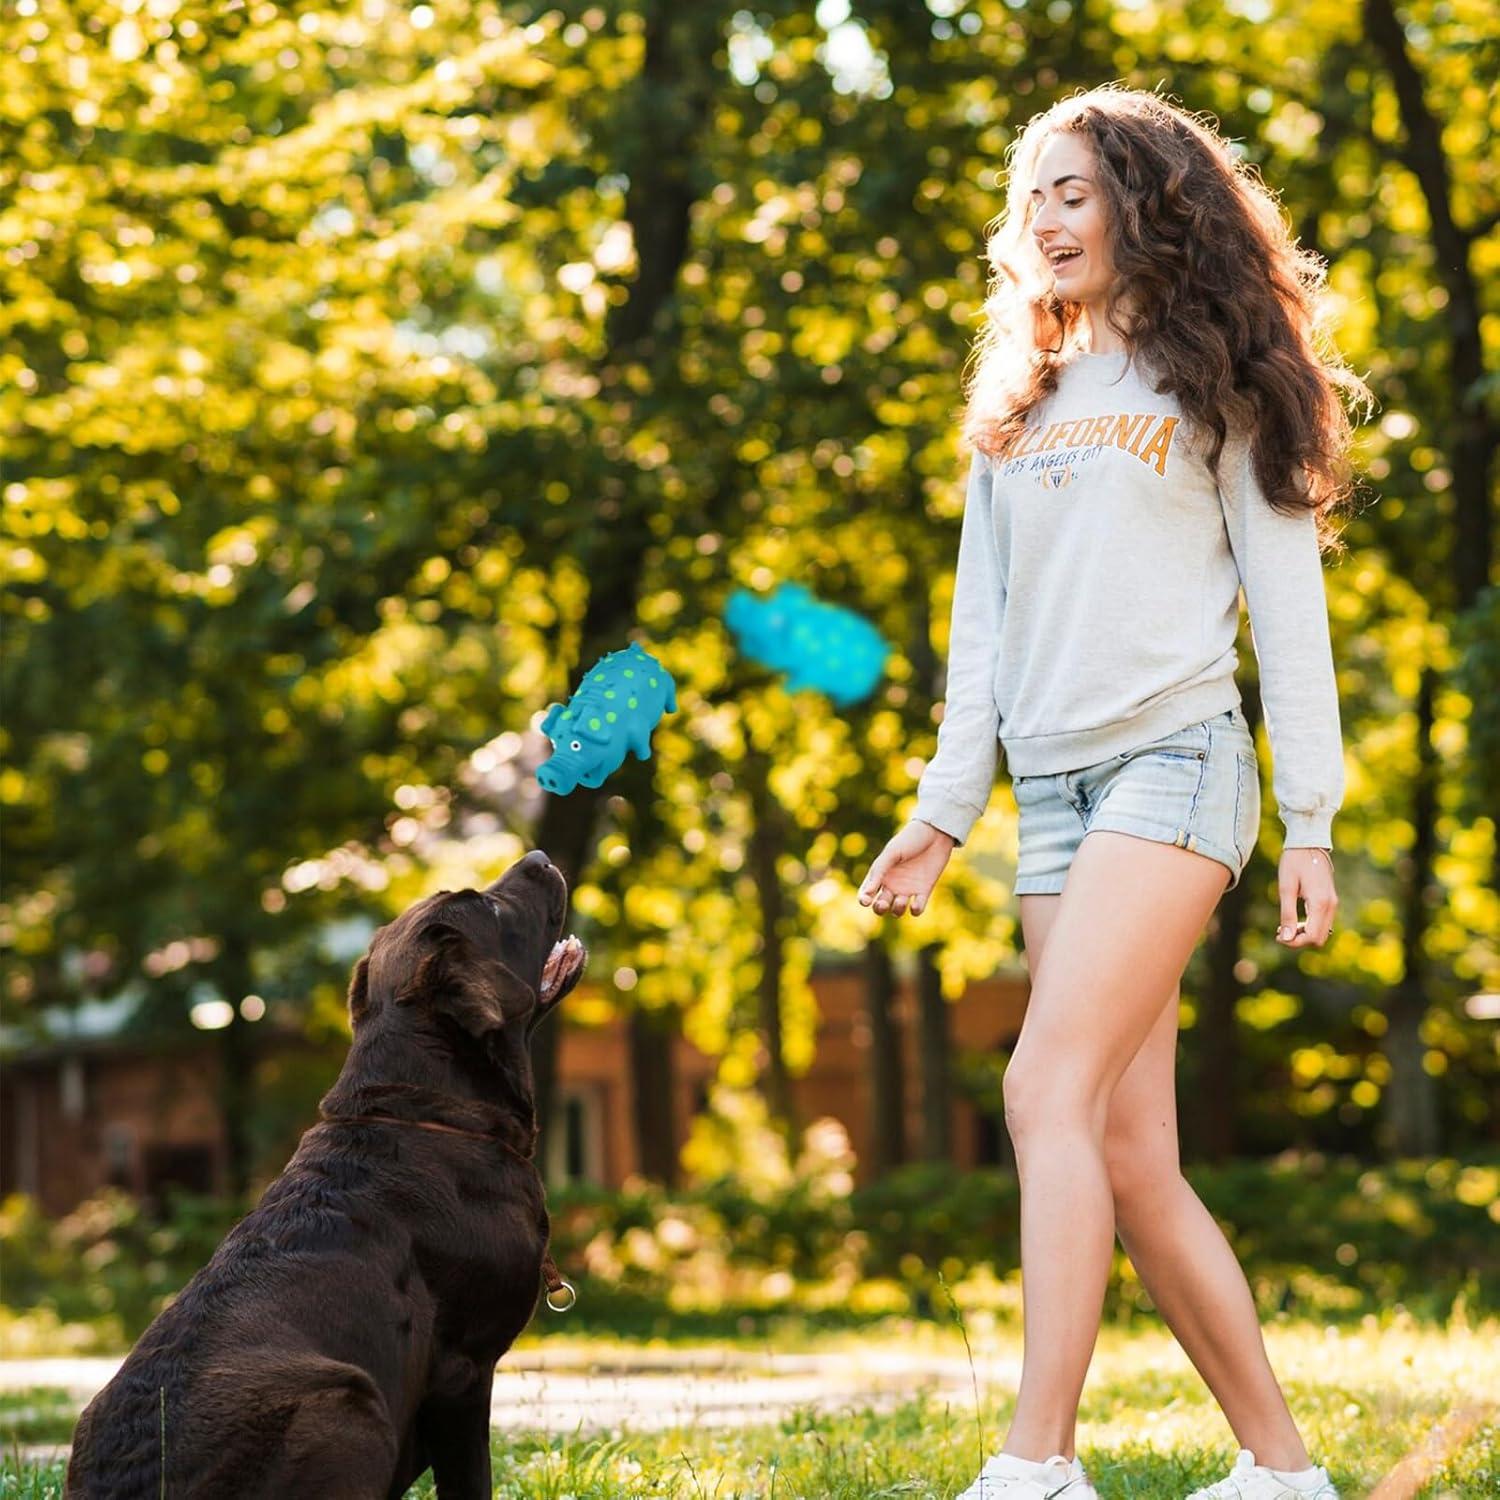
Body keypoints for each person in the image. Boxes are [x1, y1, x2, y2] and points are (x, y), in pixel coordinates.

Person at [857, 85, 1373, 1500]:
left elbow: (1288, 610)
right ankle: (1281, 1473)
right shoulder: (1021, 395)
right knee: (1131, 1152)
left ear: (1147, 207)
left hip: (1177, 760)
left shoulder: (1219, 380)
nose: (1047, 218)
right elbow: (984, 636)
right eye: (1033, 196)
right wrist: (944, 807)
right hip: (1057, 795)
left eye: (1074, 191)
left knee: (1043, 1088)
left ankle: (1039, 1462)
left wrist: (1311, 820)